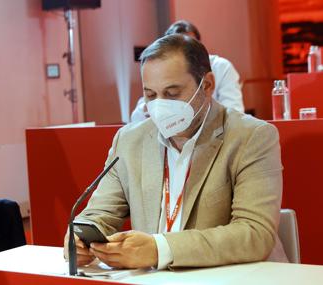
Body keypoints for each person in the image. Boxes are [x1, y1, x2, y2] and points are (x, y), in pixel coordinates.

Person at [65, 34, 287, 269]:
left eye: (172, 93)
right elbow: (100, 213)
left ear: (208, 85)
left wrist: (160, 248)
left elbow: (255, 234)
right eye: (150, 95)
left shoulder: (251, 136)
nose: (160, 105)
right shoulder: (129, 140)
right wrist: (80, 236)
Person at [131, 20, 244, 122]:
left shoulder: (221, 67)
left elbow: (235, 112)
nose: (185, 55)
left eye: (172, 93)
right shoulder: (159, 70)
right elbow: (136, 118)